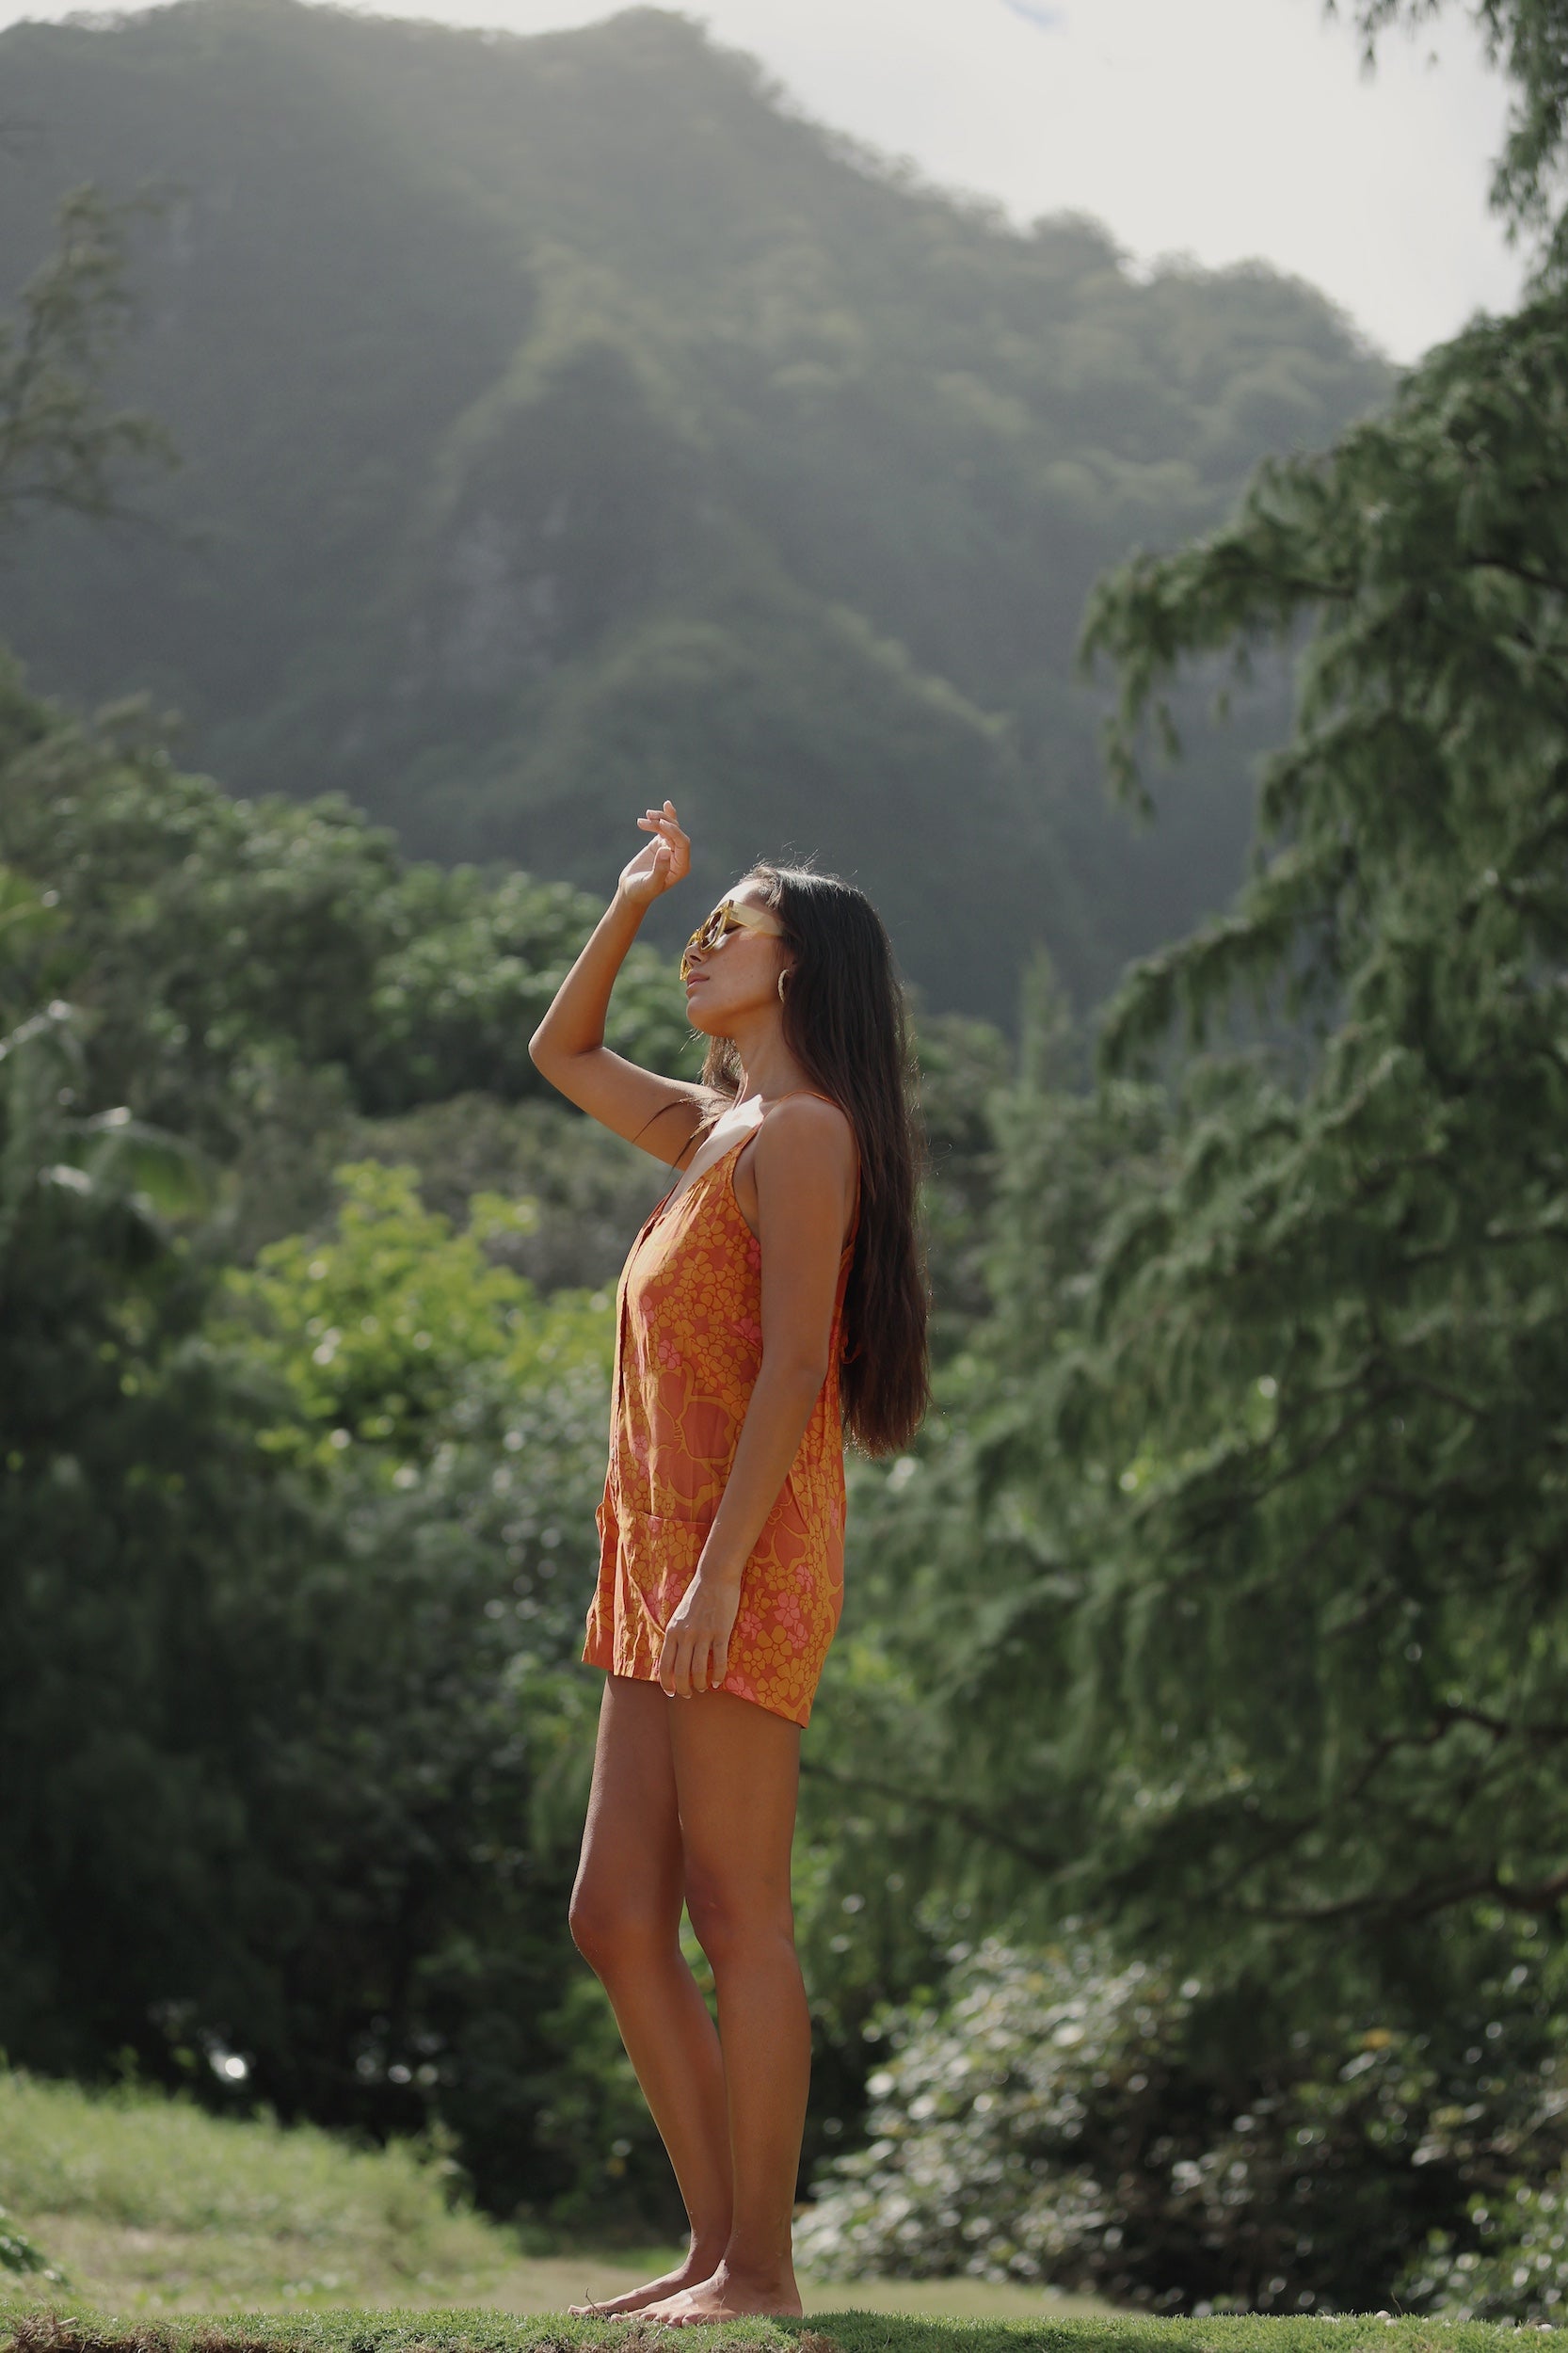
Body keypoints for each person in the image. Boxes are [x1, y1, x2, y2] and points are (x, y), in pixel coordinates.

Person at [528, 799, 930, 2326]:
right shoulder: (711, 1129)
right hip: (651, 1564)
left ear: (801, 966)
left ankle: (759, 2274)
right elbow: (560, 1054)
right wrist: (632, 900)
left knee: (731, 1908)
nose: (706, 944)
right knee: (614, 1914)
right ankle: (711, 2250)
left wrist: (713, 1580)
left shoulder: (808, 1136)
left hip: (735, 1563)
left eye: (728, 923)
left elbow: (792, 1378)